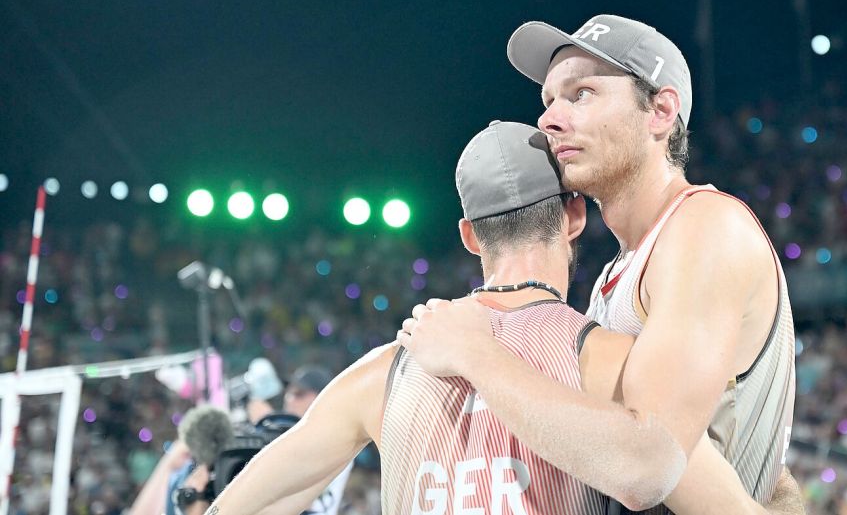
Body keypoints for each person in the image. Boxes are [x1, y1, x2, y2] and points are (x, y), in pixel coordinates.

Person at [200, 121, 787, 514]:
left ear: (470, 237)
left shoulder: (386, 370)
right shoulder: (608, 360)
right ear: (575, 216)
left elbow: (237, 506)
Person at [399, 15, 801, 513]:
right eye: (549, 101)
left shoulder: (705, 225)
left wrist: (476, 354)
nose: (549, 119)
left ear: (660, 110)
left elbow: (646, 468)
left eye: (581, 93)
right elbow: (738, 449)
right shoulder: (619, 270)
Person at [170, 366, 354, 515]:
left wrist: (267, 418)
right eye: (288, 393)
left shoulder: (337, 439)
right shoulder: (269, 434)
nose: (289, 399)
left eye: (299, 394)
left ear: (322, 397)